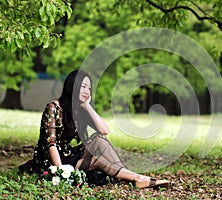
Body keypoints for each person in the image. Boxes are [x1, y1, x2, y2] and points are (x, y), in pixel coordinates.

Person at [19, 69, 169, 189]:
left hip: (67, 152)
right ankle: (138, 178)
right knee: (98, 160)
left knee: (99, 140)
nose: (86, 91)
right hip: (51, 159)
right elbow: (50, 144)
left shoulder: (79, 109)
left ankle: (132, 176)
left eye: (89, 88)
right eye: (83, 86)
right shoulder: (53, 107)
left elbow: (104, 130)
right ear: (73, 86)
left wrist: (87, 106)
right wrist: (60, 172)